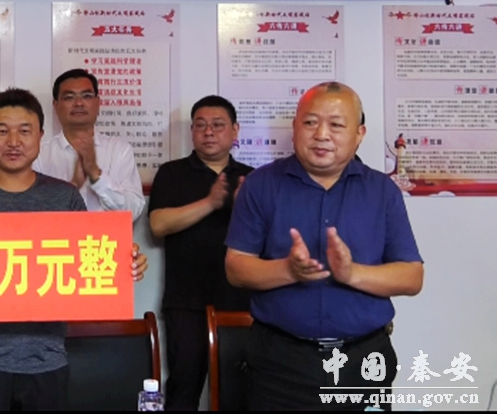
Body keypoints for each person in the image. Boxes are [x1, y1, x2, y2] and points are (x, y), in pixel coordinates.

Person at [0, 88, 149, 410]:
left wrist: (124, 263)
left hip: (47, 359)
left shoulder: (64, 198)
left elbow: (89, 265)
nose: (14, 141)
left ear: (40, 135)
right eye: (2, 131)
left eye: (25, 131)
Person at [225, 82, 423, 410]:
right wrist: (289, 270)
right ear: (294, 127)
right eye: (310, 122)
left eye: (336, 124)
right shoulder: (260, 185)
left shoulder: (381, 191)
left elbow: (412, 277)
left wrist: (351, 273)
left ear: (359, 134)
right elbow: (235, 268)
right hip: (280, 364)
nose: (321, 134)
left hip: (363, 362)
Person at [147, 95, 253, 411]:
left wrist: (245, 207)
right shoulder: (172, 173)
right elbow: (158, 225)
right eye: (200, 125)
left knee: (238, 390)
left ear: (235, 130)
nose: (208, 132)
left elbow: (269, 237)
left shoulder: (252, 177)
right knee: (183, 388)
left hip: (240, 299)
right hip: (186, 301)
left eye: (218, 125)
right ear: (192, 131)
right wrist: (210, 202)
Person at [33, 69, 145, 222]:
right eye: (69, 97)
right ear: (56, 106)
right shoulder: (39, 153)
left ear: (98, 103)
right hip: (58, 236)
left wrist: (96, 175)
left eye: (86, 96)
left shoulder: (119, 150)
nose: (79, 103)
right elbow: (33, 213)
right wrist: (72, 186)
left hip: (105, 237)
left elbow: (132, 212)